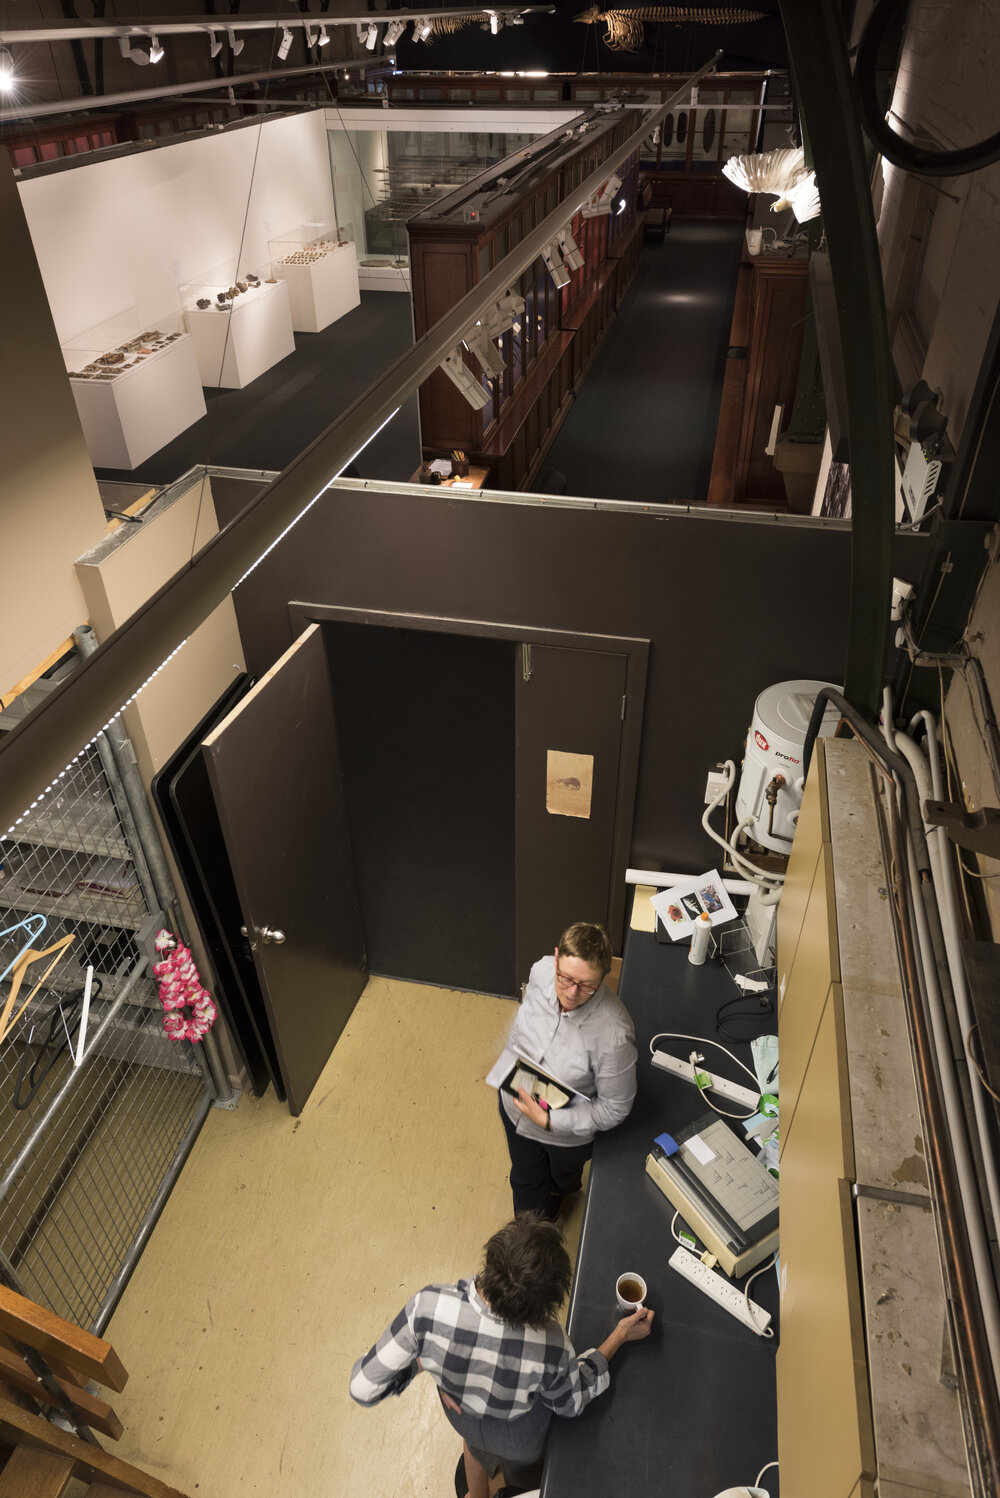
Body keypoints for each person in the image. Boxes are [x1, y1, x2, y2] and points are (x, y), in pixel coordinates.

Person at [349, 1212, 654, 1498]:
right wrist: (620, 1335)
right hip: (519, 1437)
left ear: (491, 1258)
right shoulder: (551, 1344)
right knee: (524, 1473)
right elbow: (571, 1403)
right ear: (546, 1303)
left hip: (461, 1418)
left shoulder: (429, 1308)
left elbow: (363, 1388)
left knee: (473, 1445)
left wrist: (422, 1364)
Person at [492, 922, 637, 1219]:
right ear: (556, 958)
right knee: (525, 1181)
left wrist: (549, 1119)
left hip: (566, 1133)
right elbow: (526, 1017)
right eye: (566, 978)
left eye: (586, 985)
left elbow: (614, 1109)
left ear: (603, 976)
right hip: (516, 1102)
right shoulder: (542, 970)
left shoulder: (614, 1035)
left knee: (562, 1179)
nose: (571, 994)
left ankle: (561, 1189)